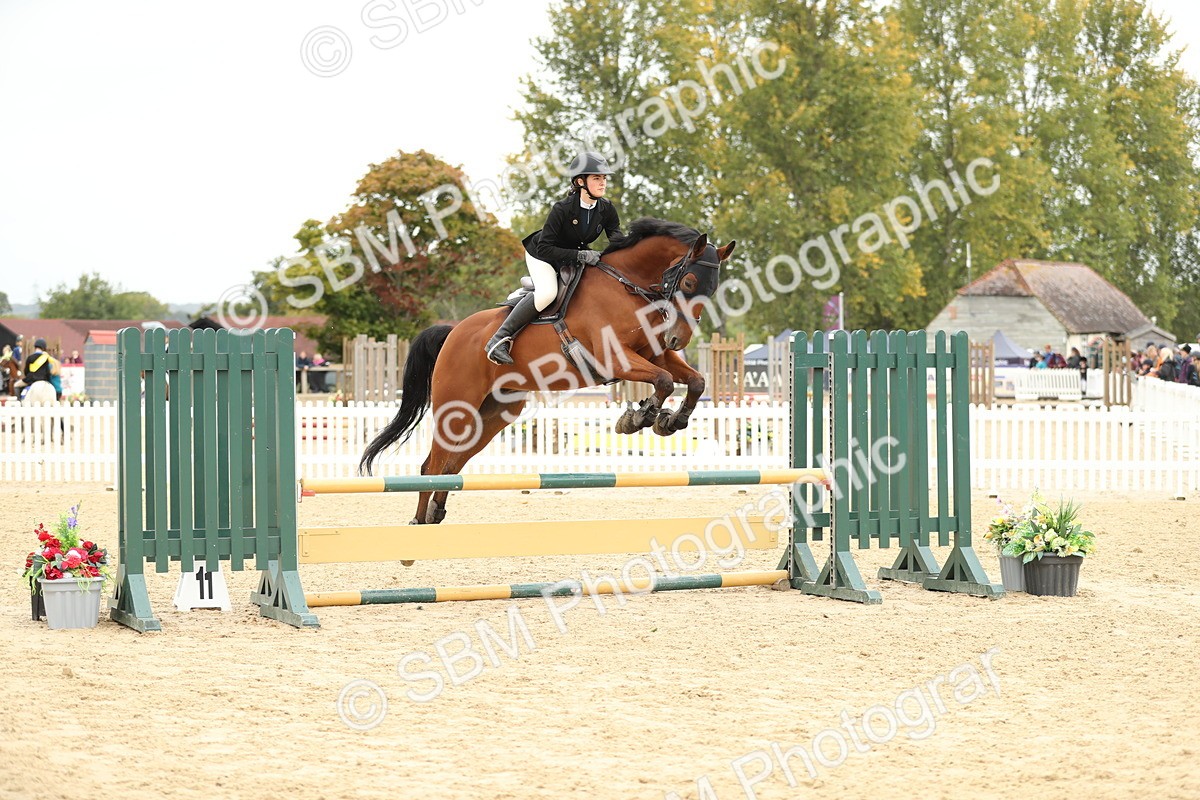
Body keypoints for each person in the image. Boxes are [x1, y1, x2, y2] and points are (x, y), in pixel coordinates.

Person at [484, 151, 623, 365]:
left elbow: (617, 240)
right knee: (548, 293)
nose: (603, 182)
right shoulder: (562, 209)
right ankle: (498, 339)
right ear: (580, 181)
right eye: (597, 178)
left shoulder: (606, 209)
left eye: (604, 178)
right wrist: (581, 254)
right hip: (543, 255)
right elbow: (546, 247)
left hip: (574, 257)